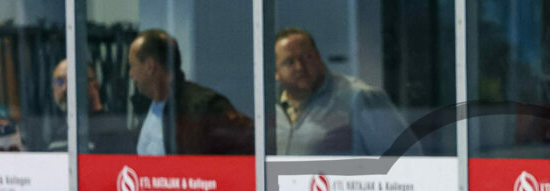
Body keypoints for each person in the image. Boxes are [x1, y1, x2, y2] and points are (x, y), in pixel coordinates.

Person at [273, 27, 418, 156]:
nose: (300, 67)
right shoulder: (269, 106)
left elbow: (406, 158)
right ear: (276, 72)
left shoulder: (358, 97)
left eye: (307, 57)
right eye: (289, 62)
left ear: (319, 57)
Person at [127, 29, 253, 156]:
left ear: (150, 66)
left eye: (132, 65)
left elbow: (249, 144)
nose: (130, 74)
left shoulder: (204, 106)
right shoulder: (143, 108)